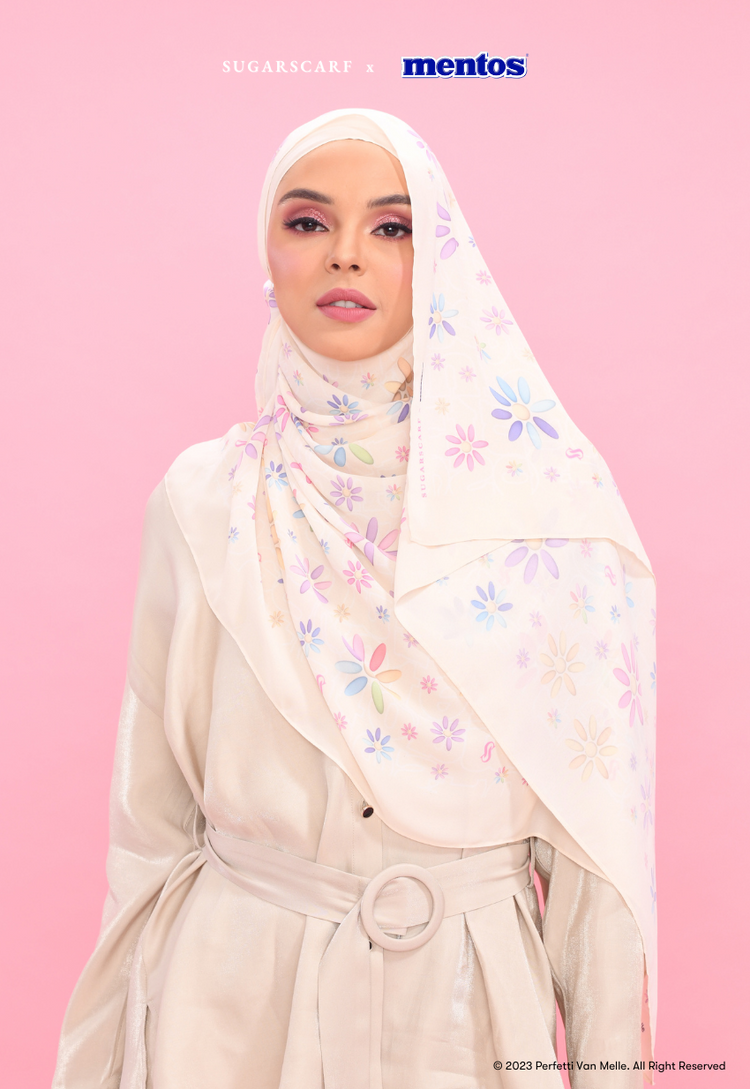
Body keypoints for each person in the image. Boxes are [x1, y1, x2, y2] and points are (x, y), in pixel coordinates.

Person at [53, 109, 657, 1089]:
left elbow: (598, 873)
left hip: (466, 1013)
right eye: (307, 222)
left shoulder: (546, 515)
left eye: (392, 226)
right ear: (267, 253)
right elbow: (149, 829)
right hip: (228, 1004)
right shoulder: (206, 501)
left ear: (441, 258)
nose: (346, 254)